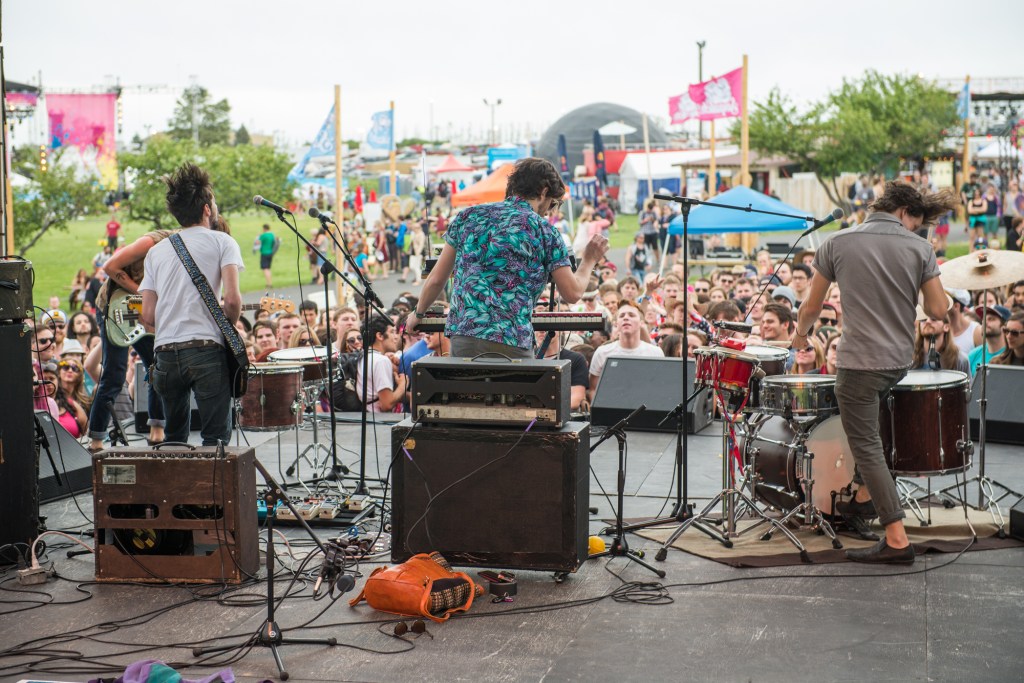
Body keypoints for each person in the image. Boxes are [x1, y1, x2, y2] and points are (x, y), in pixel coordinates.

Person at [792, 180, 957, 565]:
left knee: (866, 446)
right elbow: (938, 310)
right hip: (898, 361)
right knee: (873, 436)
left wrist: (800, 336)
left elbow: (812, 307)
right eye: (916, 223)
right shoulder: (920, 248)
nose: (914, 230)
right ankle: (863, 497)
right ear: (904, 212)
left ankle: (896, 539)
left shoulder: (837, 242)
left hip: (859, 363)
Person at [407, 157, 609, 358]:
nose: (548, 212)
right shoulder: (545, 231)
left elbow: (436, 279)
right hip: (512, 339)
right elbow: (572, 293)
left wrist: (418, 313)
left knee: (465, 380)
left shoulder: (468, 216)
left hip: (464, 336)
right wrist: (589, 259)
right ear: (543, 191)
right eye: (552, 203)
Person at [139, 162, 244, 447]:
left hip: (164, 354)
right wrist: (227, 328)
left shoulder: (156, 252)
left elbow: (148, 314)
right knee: (215, 442)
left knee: (173, 441)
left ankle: (174, 477)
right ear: (207, 209)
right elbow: (232, 300)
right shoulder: (223, 242)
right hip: (206, 349)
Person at [86, 224, 174, 451]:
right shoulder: (156, 241)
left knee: (159, 366)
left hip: (145, 310)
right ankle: (96, 441)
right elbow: (110, 266)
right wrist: (142, 294)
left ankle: (157, 431)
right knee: (114, 375)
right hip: (115, 306)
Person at [588, 304, 664, 402]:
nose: (626, 318)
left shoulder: (656, 353)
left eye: (631, 315)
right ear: (616, 324)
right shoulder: (602, 352)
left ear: (641, 323)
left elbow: (660, 388)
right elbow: (593, 389)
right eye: (622, 316)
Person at [356, 315, 407, 412]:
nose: (396, 337)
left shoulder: (363, 356)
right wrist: (403, 384)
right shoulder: (381, 361)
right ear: (379, 336)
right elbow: (387, 404)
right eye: (392, 332)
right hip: (378, 419)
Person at [967, 305, 1010, 375]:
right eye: (983, 319)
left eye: (991, 319)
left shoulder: (1012, 355)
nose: (985, 322)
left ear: (1005, 325)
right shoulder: (973, 355)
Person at [254, 223, 279, 288]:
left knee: (265, 269)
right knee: (268, 268)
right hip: (270, 253)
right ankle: (270, 282)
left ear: (264, 228)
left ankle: (268, 284)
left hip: (264, 253)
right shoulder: (272, 234)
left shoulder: (264, 235)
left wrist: (257, 236)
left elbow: (257, 242)